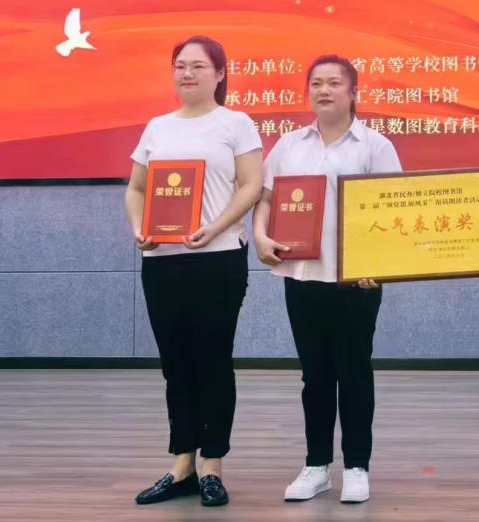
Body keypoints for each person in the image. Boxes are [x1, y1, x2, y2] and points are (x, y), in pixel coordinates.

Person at [252, 55, 400, 504]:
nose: (324, 90)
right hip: (302, 275)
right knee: (314, 376)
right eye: (316, 83)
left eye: (334, 83)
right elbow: (265, 198)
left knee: (354, 372)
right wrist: (260, 235)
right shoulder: (289, 144)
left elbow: (394, 209)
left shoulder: (375, 146)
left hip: (356, 280)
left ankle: (356, 466)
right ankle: (316, 466)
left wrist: (380, 265)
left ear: (354, 93)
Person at [125, 35, 263, 508]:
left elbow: (252, 185)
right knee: (176, 365)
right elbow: (136, 189)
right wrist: (139, 228)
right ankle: (181, 464)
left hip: (218, 258)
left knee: (213, 361)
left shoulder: (236, 123)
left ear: (220, 74)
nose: (187, 73)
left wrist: (215, 227)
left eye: (199, 66)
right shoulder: (157, 127)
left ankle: (212, 466)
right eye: (180, 65)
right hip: (162, 262)